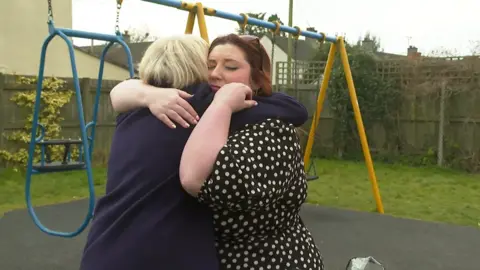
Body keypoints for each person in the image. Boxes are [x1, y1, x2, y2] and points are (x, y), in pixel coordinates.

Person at [109, 33, 325, 270]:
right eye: (210, 65)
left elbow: (198, 179)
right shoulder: (192, 108)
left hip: (268, 260)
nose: (214, 73)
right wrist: (150, 94)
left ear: (255, 78)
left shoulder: (268, 130)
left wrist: (220, 103)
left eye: (230, 66)